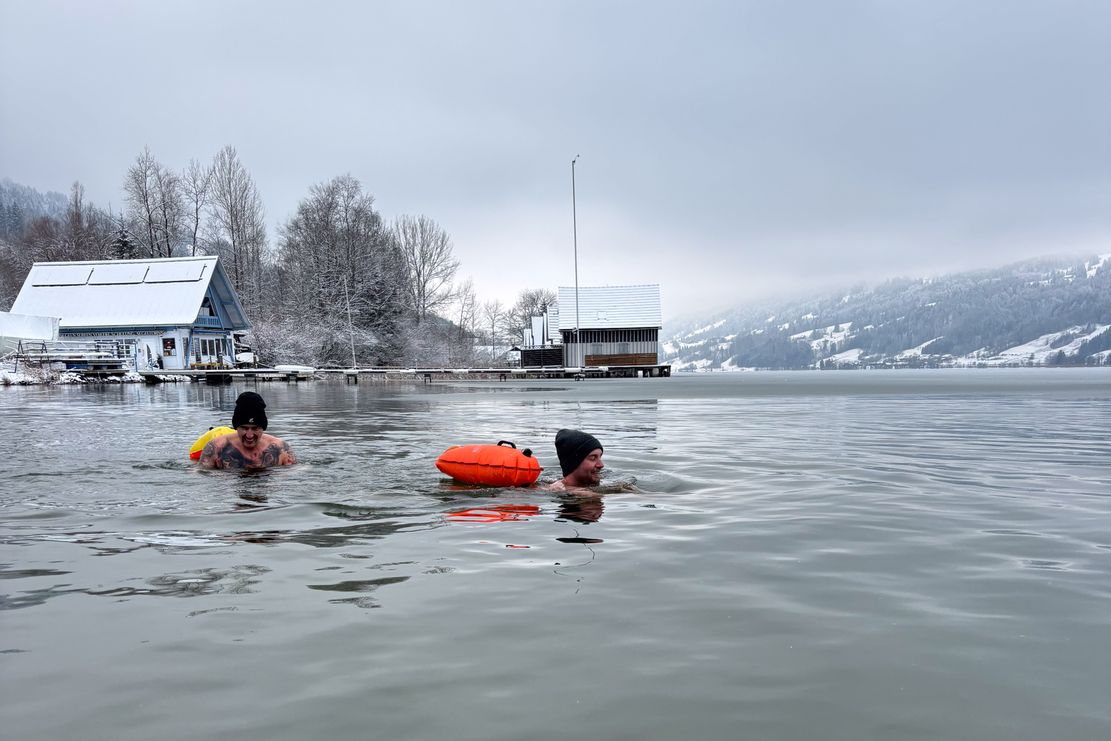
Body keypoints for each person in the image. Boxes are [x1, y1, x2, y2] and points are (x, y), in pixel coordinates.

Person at [198, 391, 296, 469]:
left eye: (255, 428)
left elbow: (296, 475)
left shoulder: (281, 449)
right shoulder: (216, 448)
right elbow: (201, 476)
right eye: (244, 428)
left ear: (263, 427)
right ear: (236, 427)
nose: (249, 435)